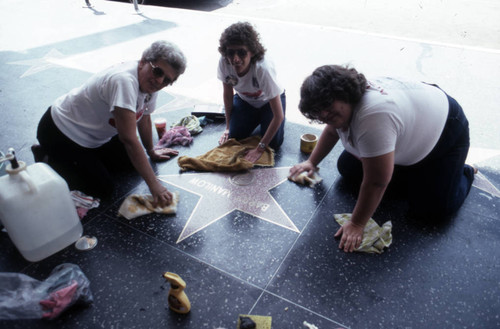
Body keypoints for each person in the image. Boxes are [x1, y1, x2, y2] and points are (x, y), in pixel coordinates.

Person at [290, 65, 475, 252]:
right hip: (411, 126)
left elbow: (376, 182)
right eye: (318, 112)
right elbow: (332, 129)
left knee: (431, 211)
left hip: (445, 131)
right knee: (348, 168)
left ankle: (463, 171)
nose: (323, 114)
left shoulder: (373, 115)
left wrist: (357, 223)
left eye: (328, 107)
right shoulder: (345, 106)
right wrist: (311, 162)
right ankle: (412, 172)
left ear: (343, 93)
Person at [33, 40, 187, 207]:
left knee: (130, 165)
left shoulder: (149, 81)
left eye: (167, 80)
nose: (160, 81)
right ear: (143, 61)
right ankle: (47, 156)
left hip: (95, 135)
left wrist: (151, 150)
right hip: (61, 132)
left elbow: (145, 117)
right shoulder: (124, 81)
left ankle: (84, 161)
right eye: (158, 72)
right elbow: (128, 139)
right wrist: (155, 186)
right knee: (102, 189)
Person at [217, 22, 286, 163]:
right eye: (231, 52)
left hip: (268, 102)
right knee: (234, 136)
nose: (235, 59)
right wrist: (228, 127)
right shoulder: (224, 62)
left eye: (241, 52)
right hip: (245, 100)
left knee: (273, 143)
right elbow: (228, 94)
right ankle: (257, 119)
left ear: (252, 52)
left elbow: (278, 116)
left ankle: (264, 119)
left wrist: (260, 148)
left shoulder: (263, 68)